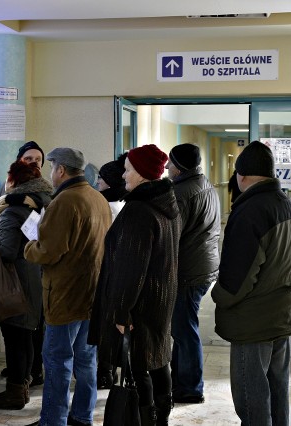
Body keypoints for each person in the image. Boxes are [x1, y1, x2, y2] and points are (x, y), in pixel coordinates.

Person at [212, 141, 291, 426]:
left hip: (253, 322)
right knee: (277, 390)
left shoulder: (250, 211)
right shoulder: (290, 207)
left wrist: (217, 294)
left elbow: (237, 279)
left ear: (241, 176)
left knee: (251, 398)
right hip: (282, 314)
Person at [90, 144, 180, 426]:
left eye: (128, 170)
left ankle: (146, 418)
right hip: (159, 298)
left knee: (138, 365)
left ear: (141, 174)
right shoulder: (165, 204)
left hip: (139, 304)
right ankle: (160, 415)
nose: (124, 175)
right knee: (157, 359)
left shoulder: (139, 211)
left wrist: (120, 311)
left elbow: (130, 268)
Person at [25, 147, 111, 426]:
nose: (51, 173)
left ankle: (53, 420)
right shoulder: (97, 198)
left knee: (58, 360)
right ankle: (82, 416)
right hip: (92, 292)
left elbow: (50, 251)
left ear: (61, 170)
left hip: (65, 294)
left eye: (52, 167)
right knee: (86, 360)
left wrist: (29, 248)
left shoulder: (65, 201)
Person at [0, 161, 52, 410]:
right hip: (35, 278)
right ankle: (23, 385)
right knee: (26, 335)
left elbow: (7, 252)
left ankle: (15, 392)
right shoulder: (41, 206)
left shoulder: (11, 212)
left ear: (13, 182)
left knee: (15, 338)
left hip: (15, 282)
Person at [165, 143, 220, 405]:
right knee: (184, 327)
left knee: (184, 330)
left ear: (180, 166)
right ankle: (182, 381)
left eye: (170, 163)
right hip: (203, 266)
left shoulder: (181, 193)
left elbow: (171, 237)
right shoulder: (205, 185)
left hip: (189, 269)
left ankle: (190, 387)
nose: (166, 167)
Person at [94, 153, 128, 389]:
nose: (96, 182)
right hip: (118, 272)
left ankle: (104, 371)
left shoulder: (107, 206)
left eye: (100, 178)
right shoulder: (126, 202)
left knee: (105, 325)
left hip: (106, 272)